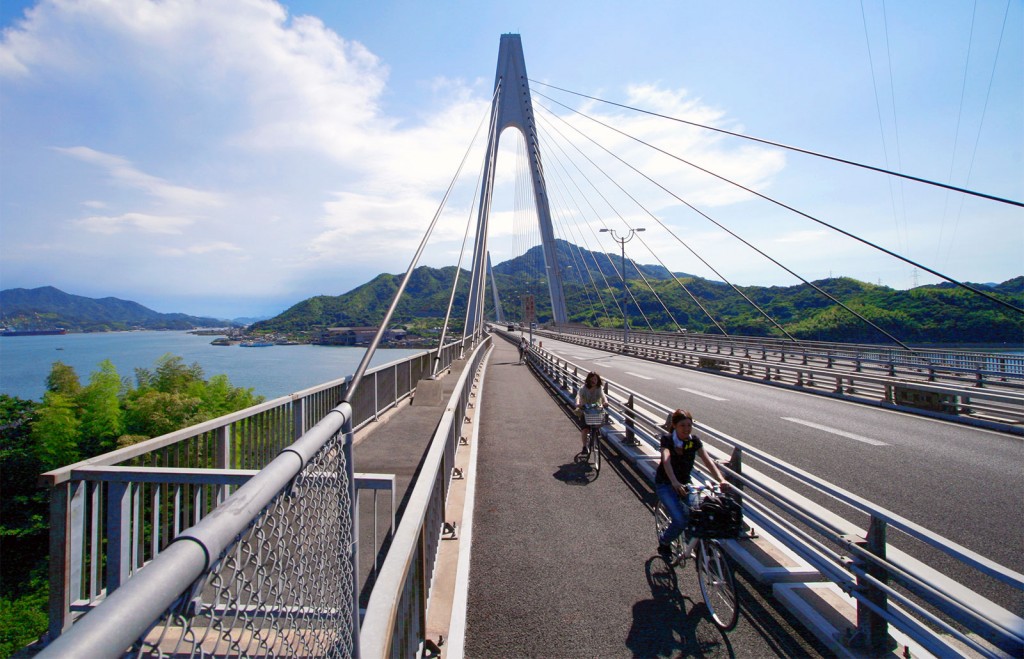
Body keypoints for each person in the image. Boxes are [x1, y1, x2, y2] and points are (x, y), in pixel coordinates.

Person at [655, 409, 731, 558]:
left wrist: (721, 479)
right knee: (680, 520)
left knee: (699, 513)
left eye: (689, 425)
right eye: (682, 425)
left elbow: (707, 461)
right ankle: (664, 542)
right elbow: (666, 460)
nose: (686, 429)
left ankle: (698, 545)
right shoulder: (668, 440)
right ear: (675, 426)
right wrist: (674, 482)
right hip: (666, 483)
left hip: (684, 483)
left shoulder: (693, 441)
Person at [575, 371, 607, 454]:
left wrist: (605, 402)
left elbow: (603, 397)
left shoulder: (599, 388)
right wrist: (578, 403)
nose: (594, 381)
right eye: (592, 379)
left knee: (599, 423)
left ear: (598, 380)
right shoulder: (584, 388)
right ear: (588, 380)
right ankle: (584, 446)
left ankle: (595, 434)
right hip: (585, 410)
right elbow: (579, 396)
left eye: (595, 379)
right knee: (585, 429)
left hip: (596, 410)